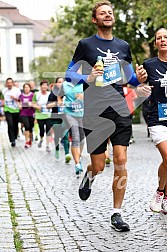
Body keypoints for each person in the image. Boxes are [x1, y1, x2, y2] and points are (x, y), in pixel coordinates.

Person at [66, 1, 147, 232]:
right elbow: (69, 74)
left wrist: (139, 78)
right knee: (99, 165)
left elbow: (129, 79)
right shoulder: (86, 45)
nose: (108, 15)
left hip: (120, 109)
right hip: (94, 111)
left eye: (110, 12)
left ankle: (116, 213)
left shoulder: (123, 45)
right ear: (95, 19)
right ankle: (89, 176)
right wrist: (88, 78)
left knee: (121, 161)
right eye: (102, 13)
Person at [137, 28, 167, 214]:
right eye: (159, 38)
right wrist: (140, 84)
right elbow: (140, 88)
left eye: (166, 37)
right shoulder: (149, 64)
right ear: (155, 43)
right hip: (157, 118)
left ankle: (164, 196)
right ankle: (159, 193)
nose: (163, 40)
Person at [58, 80, 85, 175]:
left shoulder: (84, 82)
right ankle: (77, 164)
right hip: (69, 114)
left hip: (82, 114)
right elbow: (59, 96)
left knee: (82, 139)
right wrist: (60, 102)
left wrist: (83, 97)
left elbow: (94, 96)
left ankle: (79, 156)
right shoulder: (65, 84)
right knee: (75, 137)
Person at [47, 77, 71, 163]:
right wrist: (57, 103)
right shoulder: (53, 94)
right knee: (57, 136)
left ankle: (67, 154)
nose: (60, 84)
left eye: (62, 82)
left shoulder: (68, 93)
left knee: (65, 135)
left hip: (65, 117)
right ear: (56, 84)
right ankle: (57, 149)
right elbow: (48, 105)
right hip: (55, 118)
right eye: (59, 82)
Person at [32, 80, 51, 153]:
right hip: (40, 115)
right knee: (42, 130)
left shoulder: (49, 94)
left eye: (46, 85)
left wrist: (50, 106)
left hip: (48, 115)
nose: (44, 87)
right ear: (40, 86)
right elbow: (33, 103)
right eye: (43, 85)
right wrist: (37, 107)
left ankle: (47, 145)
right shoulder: (37, 94)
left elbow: (53, 102)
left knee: (48, 130)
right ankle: (41, 139)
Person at [2, 78, 21, 147]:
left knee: (15, 124)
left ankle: (15, 136)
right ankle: (12, 140)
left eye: (10, 83)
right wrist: (3, 102)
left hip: (16, 110)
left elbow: (20, 99)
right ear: (6, 84)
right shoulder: (4, 90)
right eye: (8, 83)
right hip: (7, 109)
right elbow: (2, 98)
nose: (9, 84)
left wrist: (15, 98)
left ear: (12, 83)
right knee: (10, 124)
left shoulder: (17, 90)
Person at [18, 83, 35, 148]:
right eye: (25, 87)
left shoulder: (33, 95)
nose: (26, 89)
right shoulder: (21, 95)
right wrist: (19, 105)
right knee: (27, 126)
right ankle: (27, 141)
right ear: (23, 88)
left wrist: (31, 104)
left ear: (30, 88)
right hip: (23, 113)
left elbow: (35, 103)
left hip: (31, 113)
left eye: (28, 87)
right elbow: (19, 102)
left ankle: (30, 140)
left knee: (30, 127)